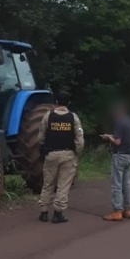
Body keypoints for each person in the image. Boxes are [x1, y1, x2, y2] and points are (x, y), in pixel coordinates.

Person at [38, 91, 84, 223]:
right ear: (68, 103)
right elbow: (80, 140)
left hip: (51, 155)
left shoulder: (48, 116)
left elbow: (40, 137)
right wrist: (77, 153)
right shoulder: (73, 117)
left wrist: (45, 147)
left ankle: (44, 212)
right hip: (68, 155)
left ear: (56, 102)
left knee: (48, 184)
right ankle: (58, 213)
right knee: (63, 185)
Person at [100, 101, 130, 221]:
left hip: (119, 155)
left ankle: (117, 211)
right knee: (127, 184)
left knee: (116, 184)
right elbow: (124, 137)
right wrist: (111, 135)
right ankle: (128, 209)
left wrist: (109, 138)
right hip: (129, 155)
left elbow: (117, 142)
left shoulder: (119, 123)